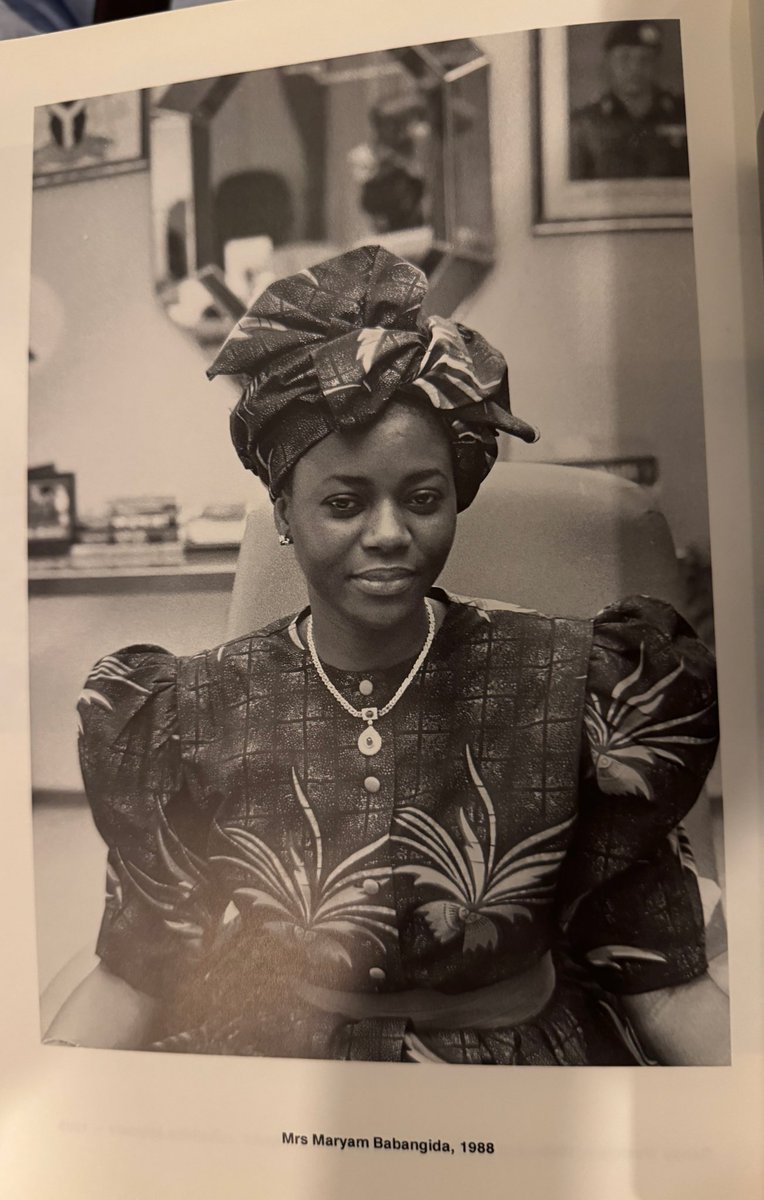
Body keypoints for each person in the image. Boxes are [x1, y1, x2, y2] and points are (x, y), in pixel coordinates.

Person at [45, 245, 729, 1064]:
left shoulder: (572, 687)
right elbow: (135, 978)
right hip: (283, 1062)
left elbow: (665, 985)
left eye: (423, 498)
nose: (389, 534)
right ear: (285, 513)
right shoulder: (195, 711)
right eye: (344, 502)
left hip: (522, 1069)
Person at [569, 21, 689, 181]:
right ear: (608, 63)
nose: (635, 68)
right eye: (624, 58)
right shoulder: (585, 123)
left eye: (645, 59)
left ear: (657, 64)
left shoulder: (683, 113)